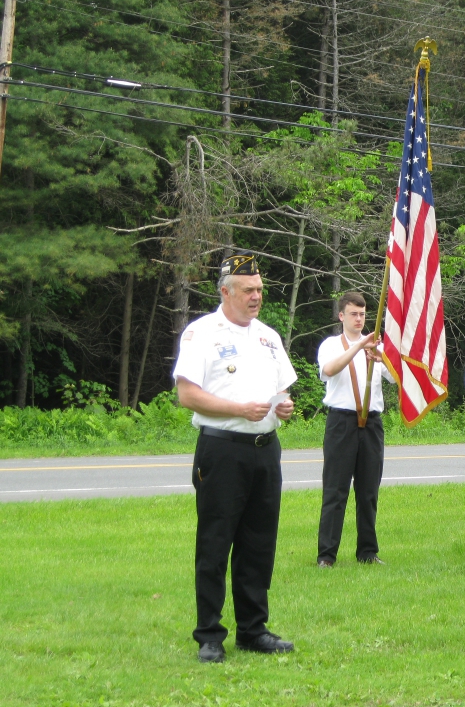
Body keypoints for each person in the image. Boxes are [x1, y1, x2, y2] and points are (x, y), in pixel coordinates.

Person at [174, 252, 297, 663]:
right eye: (248, 290)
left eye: (260, 289)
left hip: (265, 451)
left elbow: (283, 389)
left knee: (259, 543)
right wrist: (237, 409)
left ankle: (253, 629)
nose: (256, 296)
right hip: (222, 450)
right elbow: (187, 394)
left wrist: (284, 407)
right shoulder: (202, 333)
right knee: (215, 543)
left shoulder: (268, 336)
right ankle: (209, 634)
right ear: (225, 291)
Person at [316, 291, 395, 566]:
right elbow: (329, 370)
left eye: (362, 314)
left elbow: (396, 379)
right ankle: (327, 555)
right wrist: (358, 348)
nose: (359, 319)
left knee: (368, 491)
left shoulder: (375, 347)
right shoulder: (331, 344)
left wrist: (381, 358)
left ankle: (368, 552)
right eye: (353, 314)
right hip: (342, 421)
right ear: (342, 316)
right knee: (336, 490)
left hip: (371, 423)